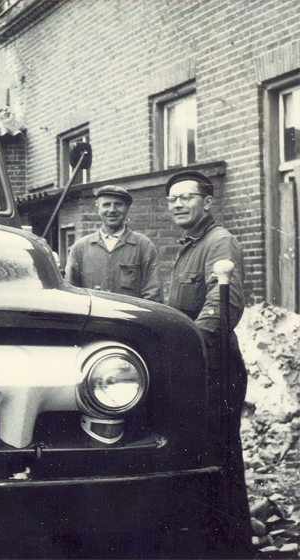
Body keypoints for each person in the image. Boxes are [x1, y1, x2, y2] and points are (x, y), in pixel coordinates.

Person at [164, 170, 252, 557]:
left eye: (186, 197)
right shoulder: (189, 245)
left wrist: (188, 347)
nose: (178, 204)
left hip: (214, 364)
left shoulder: (219, 242)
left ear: (208, 202)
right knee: (199, 454)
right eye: (172, 199)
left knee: (220, 457)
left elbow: (223, 303)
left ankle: (230, 546)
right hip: (194, 364)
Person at [65, 185, 162, 302]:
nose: (112, 210)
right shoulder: (80, 247)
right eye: (106, 205)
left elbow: (153, 294)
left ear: (127, 208)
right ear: (98, 209)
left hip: (129, 314)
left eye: (118, 205)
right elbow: (70, 294)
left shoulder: (143, 246)